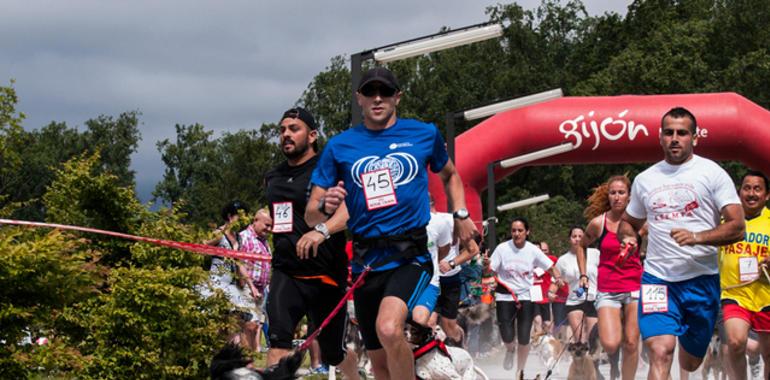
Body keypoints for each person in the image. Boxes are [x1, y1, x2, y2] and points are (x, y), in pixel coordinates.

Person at [306, 67, 476, 380]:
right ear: (359, 98)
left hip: (410, 257)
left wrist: (461, 214)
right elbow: (311, 213)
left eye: (385, 92)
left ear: (398, 97)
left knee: (389, 328)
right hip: (365, 264)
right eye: (370, 92)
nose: (378, 98)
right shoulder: (340, 146)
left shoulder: (423, 134)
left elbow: (450, 175)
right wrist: (323, 209)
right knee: (379, 364)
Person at [617, 107, 745, 379]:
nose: (675, 138)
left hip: (701, 281)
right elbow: (628, 221)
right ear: (660, 137)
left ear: (694, 138)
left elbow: (738, 227)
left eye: (682, 133)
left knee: (690, 363)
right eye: (669, 132)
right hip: (657, 279)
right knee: (661, 351)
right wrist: (628, 236)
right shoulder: (645, 179)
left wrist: (698, 237)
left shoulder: (712, 173)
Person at [264, 107, 359, 379]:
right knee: (278, 340)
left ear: (313, 135)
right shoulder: (272, 177)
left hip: (326, 274)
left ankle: (353, 376)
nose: (286, 135)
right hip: (287, 271)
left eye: (294, 129)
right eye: (282, 130)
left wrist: (322, 230)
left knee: (333, 353)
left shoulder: (328, 170)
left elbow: (349, 212)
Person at [577, 175, 642, 380]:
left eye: (621, 192)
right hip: (608, 288)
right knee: (611, 343)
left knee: (631, 343)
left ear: (629, 196)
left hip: (634, 286)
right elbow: (581, 246)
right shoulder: (599, 223)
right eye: (612, 193)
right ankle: (618, 330)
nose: (616, 197)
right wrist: (584, 274)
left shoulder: (639, 222)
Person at [487, 217, 561, 376]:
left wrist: (558, 279)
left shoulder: (533, 250)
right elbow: (490, 271)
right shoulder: (502, 248)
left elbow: (551, 267)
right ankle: (509, 348)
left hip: (526, 297)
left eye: (520, 230)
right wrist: (486, 267)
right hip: (505, 296)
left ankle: (520, 369)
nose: (516, 233)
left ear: (527, 232)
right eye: (513, 230)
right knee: (507, 335)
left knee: (524, 336)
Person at [719, 170, 770, 380]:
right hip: (734, 294)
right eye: (747, 188)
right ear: (739, 193)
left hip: (766, 295)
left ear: (766, 195)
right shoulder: (725, 220)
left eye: (757, 189)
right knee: (736, 342)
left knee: (768, 354)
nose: (751, 193)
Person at [556, 227, 599, 349]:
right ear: (569, 239)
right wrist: (551, 291)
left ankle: (593, 365)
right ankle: (581, 366)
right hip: (574, 300)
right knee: (579, 339)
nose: (577, 239)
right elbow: (556, 280)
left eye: (580, 236)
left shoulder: (595, 254)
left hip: (593, 298)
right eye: (574, 236)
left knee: (593, 337)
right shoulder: (563, 260)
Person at [412, 198, 452, 326]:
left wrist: (434, 262)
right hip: (404, 281)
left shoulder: (439, 222)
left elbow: (445, 249)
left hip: (431, 281)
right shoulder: (402, 221)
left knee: (421, 321)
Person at [237, 208, 273, 352]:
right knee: (248, 325)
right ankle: (245, 359)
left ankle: (251, 357)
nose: (269, 229)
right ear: (255, 221)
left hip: (261, 289)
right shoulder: (244, 237)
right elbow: (239, 262)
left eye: (270, 226)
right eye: (266, 225)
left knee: (256, 326)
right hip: (247, 287)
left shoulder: (264, 242)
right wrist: (250, 286)